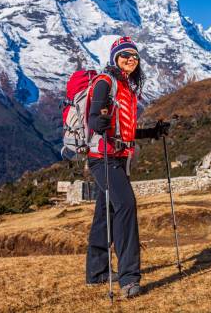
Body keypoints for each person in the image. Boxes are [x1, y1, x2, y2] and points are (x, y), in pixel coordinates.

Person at [85, 36, 170, 298]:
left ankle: (97, 273)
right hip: (103, 158)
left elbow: (126, 131)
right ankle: (129, 278)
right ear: (114, 59)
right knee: (126, 206)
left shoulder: (127, 87)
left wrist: (152, 132)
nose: (130, 60)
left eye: (134, 56)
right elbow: (93, 119)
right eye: (124, 56)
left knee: (105, 213)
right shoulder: (105, 82)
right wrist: (98, 122)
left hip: (120, 157)